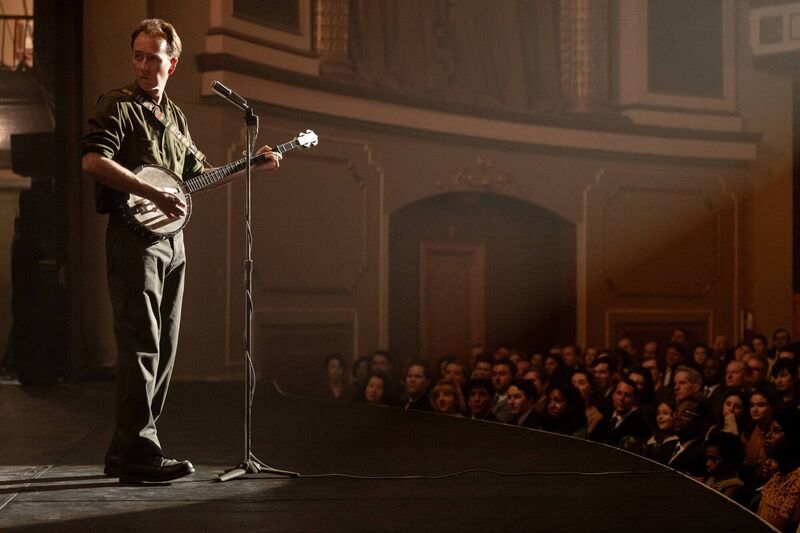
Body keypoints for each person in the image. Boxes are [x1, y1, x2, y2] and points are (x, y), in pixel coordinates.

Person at [81, 19, 282, 483]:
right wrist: (150, 194)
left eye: (155, 57)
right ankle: (140, 453)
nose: (146, 65)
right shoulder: (117, 105)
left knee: (165, 346)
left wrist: (254, 164)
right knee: (141, 344)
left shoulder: (175, 118)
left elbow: (201, 177)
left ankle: (123, 448)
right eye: (139, 55)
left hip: (173, 241)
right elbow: (93, 160)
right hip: (135, 239)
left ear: (172, 62)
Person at [757, 407, 800, 532]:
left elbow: (775, 530)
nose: (768, 436)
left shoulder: (797, 481)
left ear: (792, 437)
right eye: (769, 430)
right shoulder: (778, 475)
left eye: (776, 430)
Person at [704, 431, 746, 503]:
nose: (707, 464)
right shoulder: (714, 478)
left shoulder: (734, 486)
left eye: (714, 459)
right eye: (708, 458)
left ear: (731, 462)